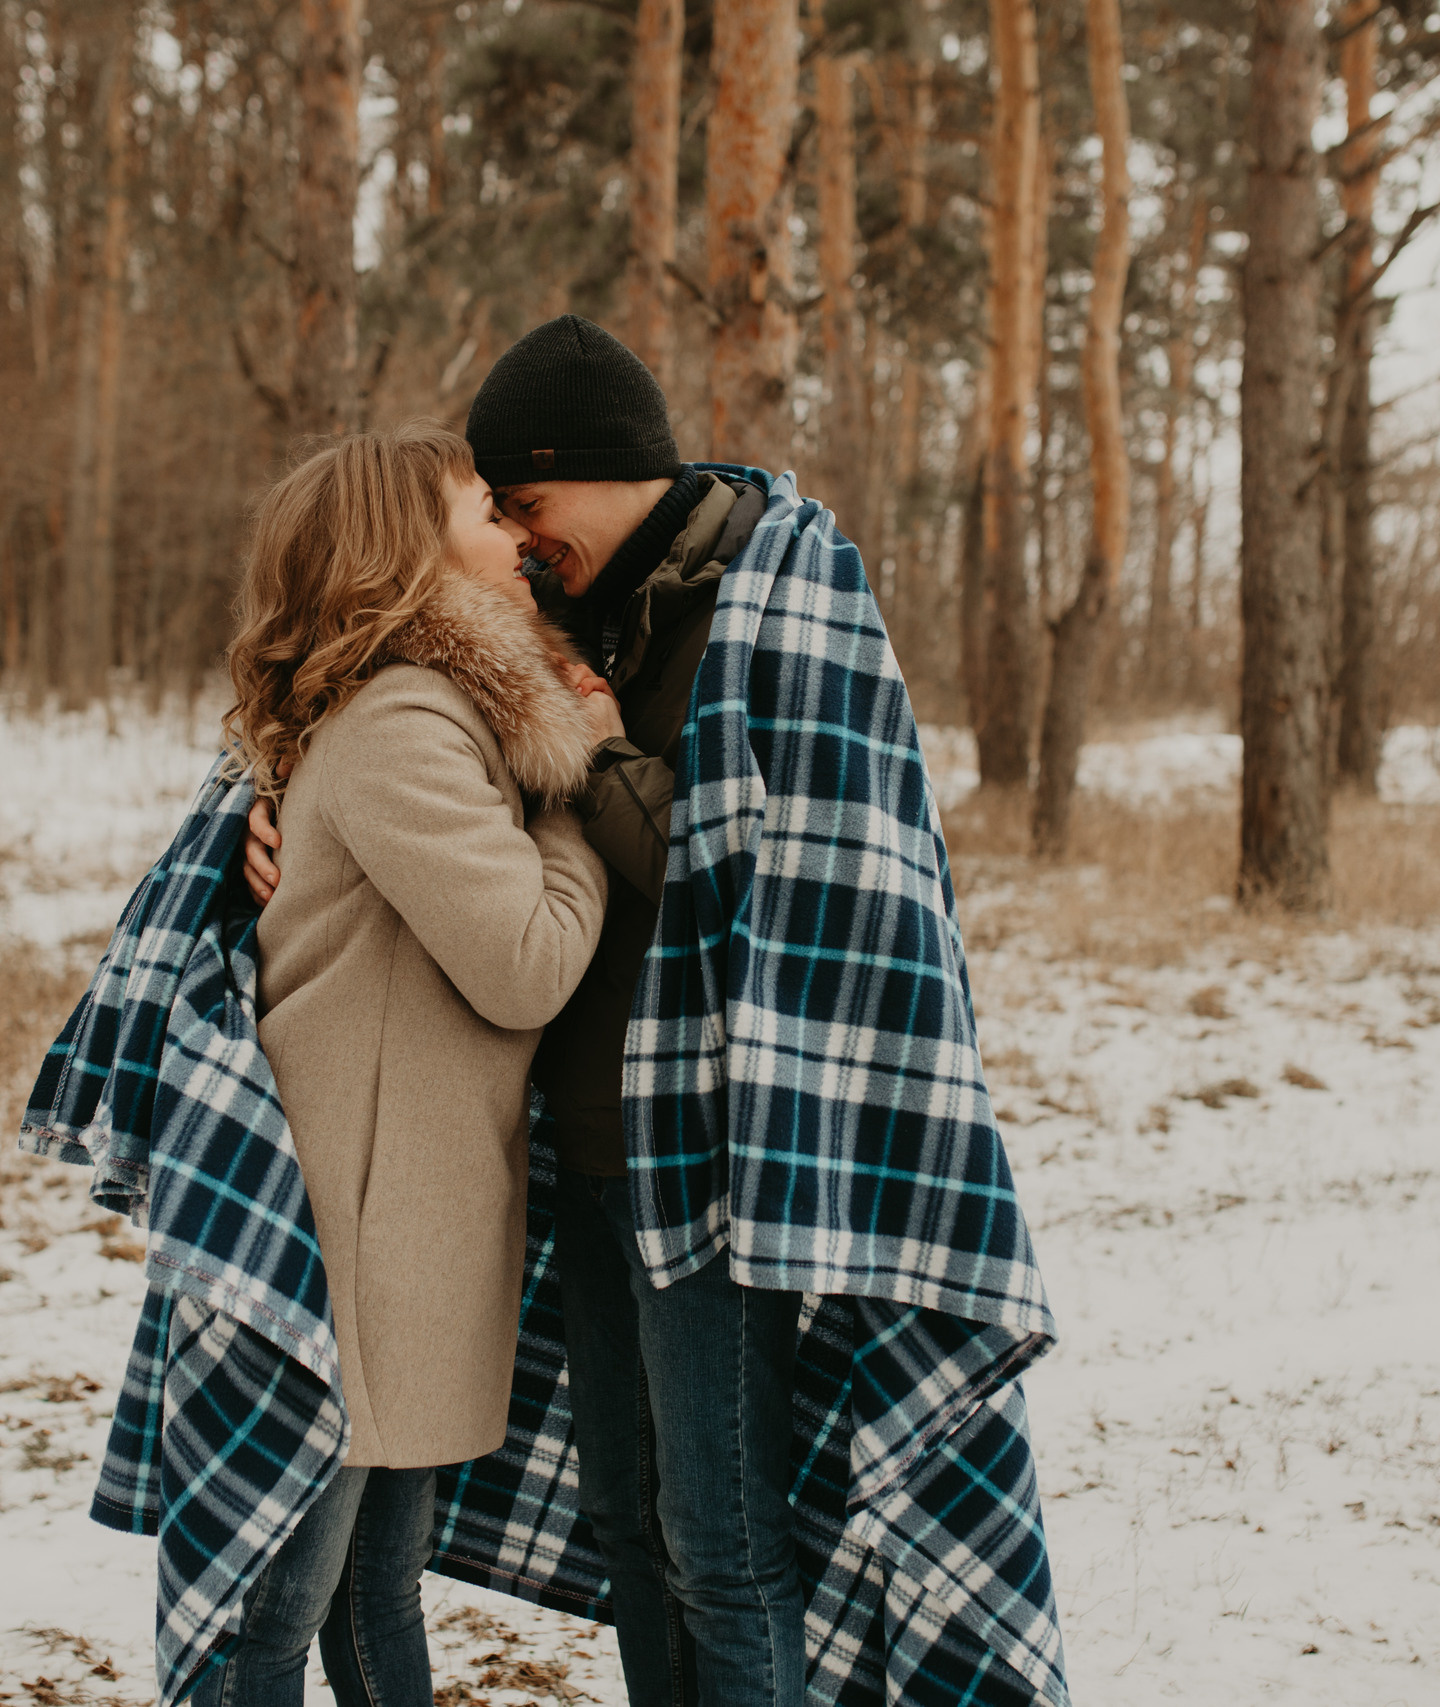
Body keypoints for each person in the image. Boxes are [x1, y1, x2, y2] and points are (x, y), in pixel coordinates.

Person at [242, 318, 1071, 1707]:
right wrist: (269, 815)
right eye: (495, 512)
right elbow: (384, 716)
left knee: (723, 1545)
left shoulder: (776, 600)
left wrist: (593, 761)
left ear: (594, 467)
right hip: (582, 1145)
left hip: (718, 1149)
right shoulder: (557, 618)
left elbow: (769, 871)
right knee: (631, 1527)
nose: (517, 538)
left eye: (525, 501)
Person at [28, 421, 614, 1707]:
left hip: (401, 1222)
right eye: (483, 509)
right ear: (407, 550)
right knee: (273, 1618)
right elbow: (526, 964)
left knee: (367, 1595)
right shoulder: (407, 721)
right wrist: (575, 802)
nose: (515, 533)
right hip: (354, 1242)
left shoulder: (413, 711)